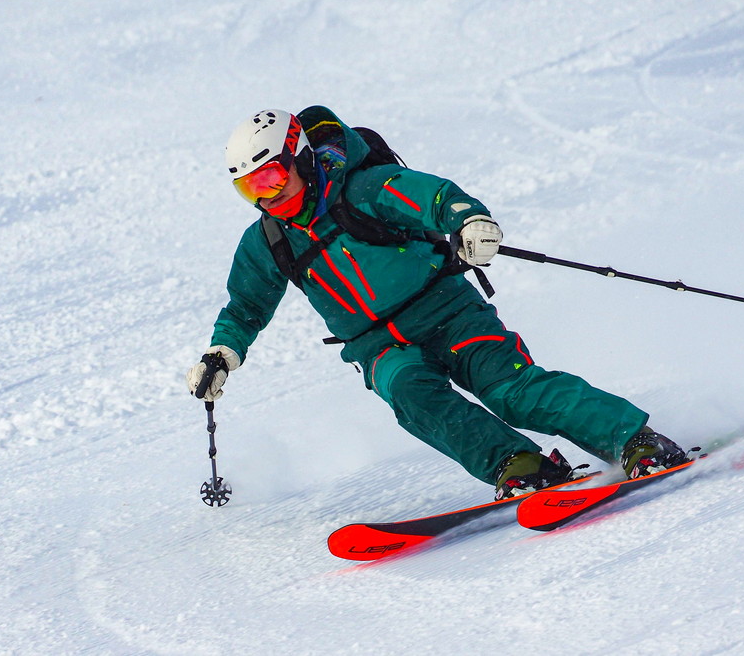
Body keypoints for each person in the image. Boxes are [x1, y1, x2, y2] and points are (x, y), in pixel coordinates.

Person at [189, 106, 689, 499]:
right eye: (249, 188)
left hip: (449, 310)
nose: (266, 197)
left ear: (298, 157)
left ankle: (634, 440)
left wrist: (468, 220)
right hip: (378, 346)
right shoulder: (267, 242)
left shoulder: (363, 188)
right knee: (412, 396)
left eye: (271, 178)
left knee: (510, 390)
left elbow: (433, 197)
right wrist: (222, 354)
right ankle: (520, 465)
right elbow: (244, 308)